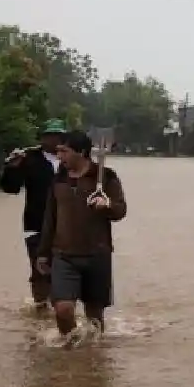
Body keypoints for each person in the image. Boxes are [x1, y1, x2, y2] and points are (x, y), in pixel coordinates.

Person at [35, 129, 127, 340]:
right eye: (58, 152)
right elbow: (50, 218)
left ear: (82, 152)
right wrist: (42, 253)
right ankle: (70, 352)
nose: (59, 157)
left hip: (97, 255)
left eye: (64, 151)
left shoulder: (106, 177)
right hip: (64, 256)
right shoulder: (58, 180)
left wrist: (107, 205)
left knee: (94, 319)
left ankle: (91, 361)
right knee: (63, 310)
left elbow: (121, 211)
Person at [0, 119, 68, 308]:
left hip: (66, 226)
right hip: (36, 225)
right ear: (42, 138)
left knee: (65, 271)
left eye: (59, 136)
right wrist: (12, 168)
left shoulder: (70, 159)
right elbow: (10, 188)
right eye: (50, 135)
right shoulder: (29, 159)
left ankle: (61, 310)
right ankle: (40, 308)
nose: (55, 140)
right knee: (39, 270)